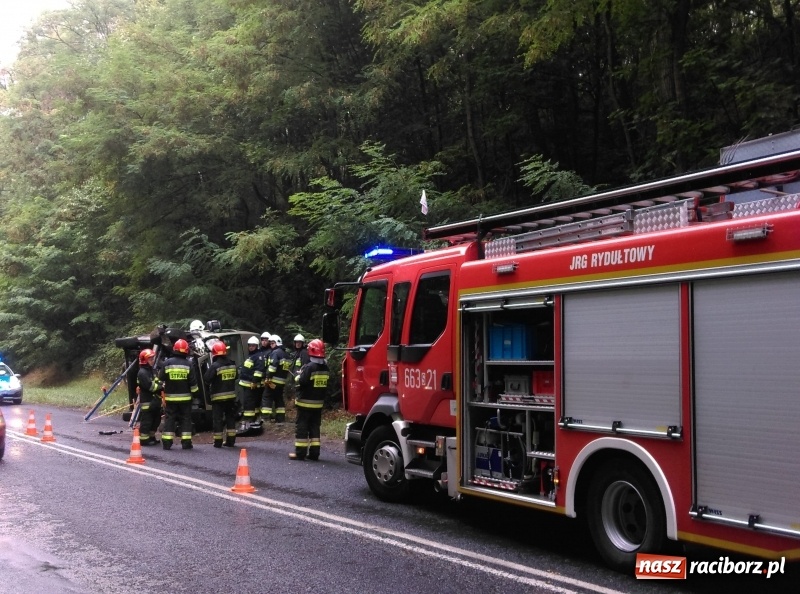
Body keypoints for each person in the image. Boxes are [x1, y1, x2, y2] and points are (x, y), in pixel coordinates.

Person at [290, 339, 330, 460]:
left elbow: (302, 382)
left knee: (302, 428)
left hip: (305, 404)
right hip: (318, 404)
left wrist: (298, 376)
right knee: (314, 428)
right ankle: (314, 454)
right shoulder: (325, 367)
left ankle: (300, 453)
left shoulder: (309, 367)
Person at [158, 338, 199, 450]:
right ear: (186, 350)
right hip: (185, 399)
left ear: (175, 349)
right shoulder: (188, 364)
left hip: (171, 399)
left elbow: (160, 380)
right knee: (185, 419)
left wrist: (158, 391)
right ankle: (186, 442)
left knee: (170, 418)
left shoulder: (167, 363)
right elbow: (193, 383)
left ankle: (167, 442)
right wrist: (196, 395)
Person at [203, 341, 238, 448]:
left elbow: (206, 379)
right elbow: (236, 377)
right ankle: (231, 441)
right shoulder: (232, 364)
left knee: (217, 420)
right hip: (231, 397)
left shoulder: (215, 366)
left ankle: (218, 442)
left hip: (218, 398)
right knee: (230, 419)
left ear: (214, 353)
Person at [136, 348, 162, 446]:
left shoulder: (151, 370)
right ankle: (144, 440)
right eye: (150, 359)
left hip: (154, 401)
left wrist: (160, 384)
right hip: (147, 402)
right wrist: (161, 387)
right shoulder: (142, 373)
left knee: (156, 420)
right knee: (147, 422)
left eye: (152, 358)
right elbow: (151, 387)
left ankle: (151, 437)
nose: (152, 360)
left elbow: (157, 381)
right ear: (145, 360)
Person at [262, 334, 290, 423]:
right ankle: (280, 418)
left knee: (267, 397)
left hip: (273, 381)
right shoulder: (286, 354)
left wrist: (268, 377)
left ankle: (266, 418)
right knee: (279, 399)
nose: (271, 345)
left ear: (277, 343)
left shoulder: (275, 353)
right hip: (282, 382)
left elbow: (272, 367)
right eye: (270, 343)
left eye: (273, 343)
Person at [238, 335, 264, 428]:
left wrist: (254, 382)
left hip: (251, 384)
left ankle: (248, 420)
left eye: (253, 346)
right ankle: (254, 419)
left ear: (257, 346)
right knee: (253, 403)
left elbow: (258, 371)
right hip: (247, 384)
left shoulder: (258, 357)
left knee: (249, 403)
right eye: (249, 345)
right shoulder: (251, 356)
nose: (251, 347)